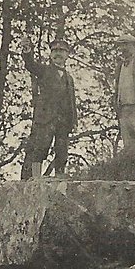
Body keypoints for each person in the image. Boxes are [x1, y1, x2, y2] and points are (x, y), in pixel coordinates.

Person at [21, 37, 77, 180]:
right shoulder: (44, 70)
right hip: (46, 118)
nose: (58, 54)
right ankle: (36, 177)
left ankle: (59, 176)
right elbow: (30, 65)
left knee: (62, 149)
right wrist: (27, 52)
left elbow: (72, 101)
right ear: (51, 54)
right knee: (41, 146)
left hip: (63, 120)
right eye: (55, 51)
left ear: (67, 55)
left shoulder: (69, 78)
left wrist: (73, 121)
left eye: (61, 51)